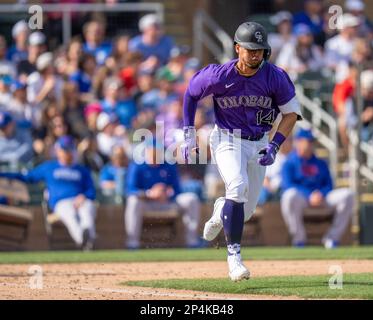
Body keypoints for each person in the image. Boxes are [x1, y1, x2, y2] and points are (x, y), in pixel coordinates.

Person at [181, 22, 301, 281]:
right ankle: (234, 258)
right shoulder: (219, 75)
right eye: (250, 49)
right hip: (227, 139)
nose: (256, 54)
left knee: (244, 212)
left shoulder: (274, 76)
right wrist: (189, 134)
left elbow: (291, 114)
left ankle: (220, 208)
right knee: (236, 186)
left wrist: (275, 144)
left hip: (259, 141)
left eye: (260, 49)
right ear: (237, 48)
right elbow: (190, 94)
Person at [0, 135, 97, 250]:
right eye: (64, 150)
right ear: (58, 150)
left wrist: (84, 196)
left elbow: (92, 191)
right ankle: (83, 241)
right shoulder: (50, 167)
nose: (66, 153)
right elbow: (26, 177)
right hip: (61, 202)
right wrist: (3, 174)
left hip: (81, 200)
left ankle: (87, 236)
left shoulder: (82, 170)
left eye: (69, 150)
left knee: (87, 209)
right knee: (69, 213)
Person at [280, 129, 354, 249]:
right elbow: (287, 185)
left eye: (311, 141)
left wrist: (321, 194)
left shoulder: (320, 163)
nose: (310, 144)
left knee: (348, 195)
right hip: (302, 199)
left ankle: (332, 239)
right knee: (288, 196)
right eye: (307, 141)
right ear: (298, 142)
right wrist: (309, 195)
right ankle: (299, 239)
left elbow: (329, 185)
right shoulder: (289, 162)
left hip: (322, 198)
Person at [125, 138, 201, 249]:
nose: (154, 155)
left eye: (158, 152)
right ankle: (132, 243)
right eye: (152, 152)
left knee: (191, 199)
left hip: (166, 202)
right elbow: (130, 190)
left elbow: (177, 189)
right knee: (133, 201)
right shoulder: (137, 166)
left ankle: (192, 241)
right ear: (146, 152)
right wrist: (149, 193)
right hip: (147, 203)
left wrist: (166, 193)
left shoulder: (168, 166)